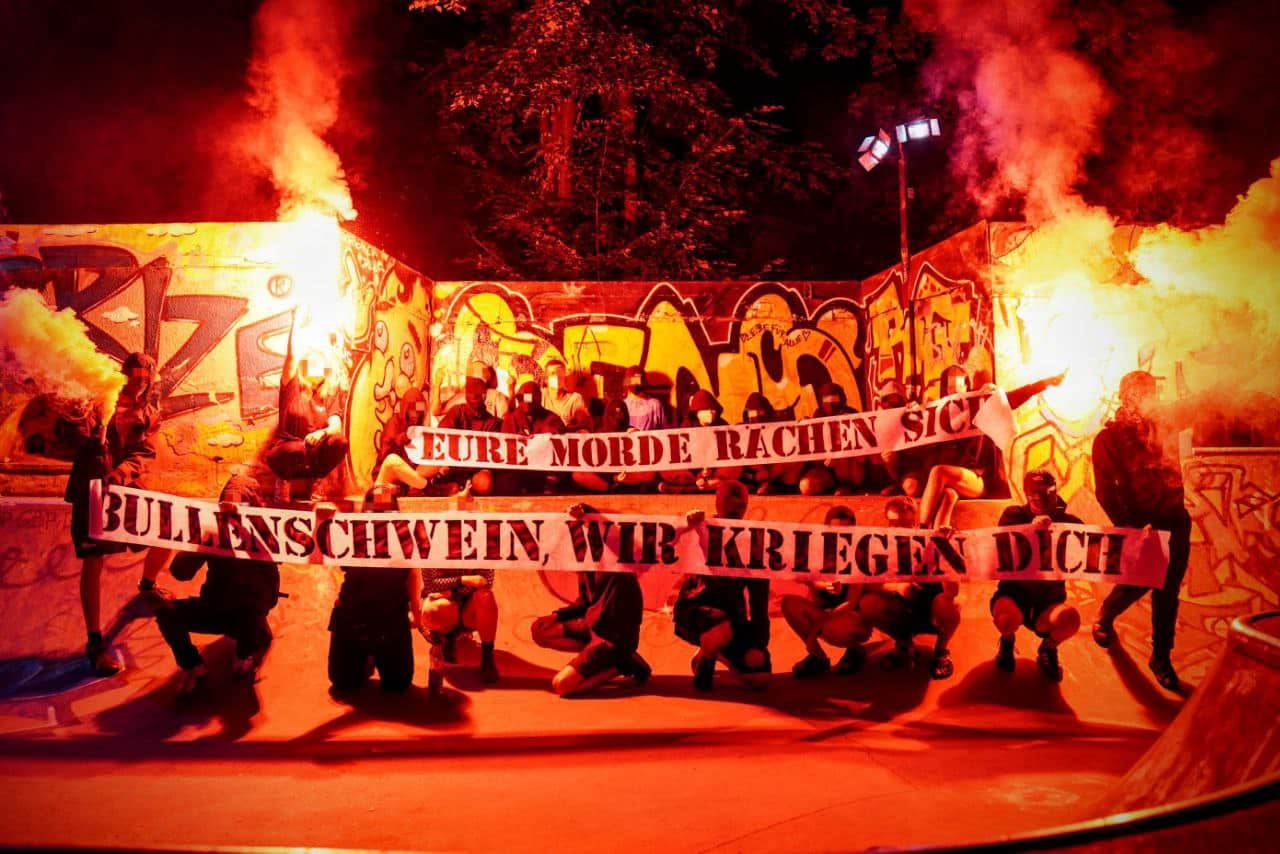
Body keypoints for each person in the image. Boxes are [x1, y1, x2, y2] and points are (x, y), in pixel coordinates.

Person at [64, 351, 171, 676]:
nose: (139, 384)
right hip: (92, 489)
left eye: (145, 379)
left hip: (124, 487)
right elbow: (69, 432)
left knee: (167, 527)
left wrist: (122, 472)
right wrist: (89, 439)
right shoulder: (98, 401)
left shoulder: (150, 413)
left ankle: (147, 585)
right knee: (93, 560)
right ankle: (95, 642)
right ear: (124, 375)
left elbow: (145, 453)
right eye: (134, 377)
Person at [1090, 370, 1192, 691]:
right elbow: (1105, 490)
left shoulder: (1166, 426)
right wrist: (1131, 525)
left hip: (1174, 520)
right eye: (1142, 393)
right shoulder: (1108, 439)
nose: (1151, 399)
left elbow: (1201, 408)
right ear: (1126, 397)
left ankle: (1161, 657)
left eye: (1152, 393)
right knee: (1137, 583)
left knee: (1168, 592)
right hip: (1141, 525)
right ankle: (1105, 616)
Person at [157, 472, 281, 697]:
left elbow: (272, 590)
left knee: (252, 624)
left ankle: (246, 652)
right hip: (215, 608)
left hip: (248, 617)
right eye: (227, 505)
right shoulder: (213, 533)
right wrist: (202, 541)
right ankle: (194, 667)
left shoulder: (264, 535)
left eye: (239, 505)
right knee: (166, 613)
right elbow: (180, 572)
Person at [529, 503, 652, 696]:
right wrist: (555, 616)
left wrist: (586, 512)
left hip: (613, 639)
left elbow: (608, 534)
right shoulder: (585, 565)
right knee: (540, 631)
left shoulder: (619, 564)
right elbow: (584, 602)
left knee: (562, 685)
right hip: (592, 627)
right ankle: (612, 660)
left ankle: (622, 665)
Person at [674, 480, 770, 691]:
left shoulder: (752, 541)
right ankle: (707, 656)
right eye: (728, 500)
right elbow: (663, 541)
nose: (734, 507)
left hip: (733, 618)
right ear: (717, 502)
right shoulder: (699, 528)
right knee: (719, 629)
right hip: (695, 611)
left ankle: (716, 650)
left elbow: (759, 598)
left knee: (759, 673)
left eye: (740, 503)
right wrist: (685, 525)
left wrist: (759, 641)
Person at [327, 484, 422, 694]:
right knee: (342, 683)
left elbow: (412, 574)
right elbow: (325, 549)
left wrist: (416, 613)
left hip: (390, 617)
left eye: (385, 507)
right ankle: (364, 658)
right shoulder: (352, 532)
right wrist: (321, 518)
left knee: (398, 684)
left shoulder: (404, 533)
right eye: (376, 506)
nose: (380, 512)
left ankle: (370, 657)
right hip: (354, 617)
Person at [853, 495, 960, 679]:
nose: (900, 529)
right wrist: (897, 587)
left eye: (906, 524)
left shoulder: (931, 542)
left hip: (930, 610)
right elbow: (869, 585)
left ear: (916, 524)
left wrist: (945, 550)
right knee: (868, 603)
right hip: (900, 609)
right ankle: (903, 645)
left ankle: (941, 651)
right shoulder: (879, 547)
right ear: (887, 524)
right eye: (894, 524)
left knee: (951, 605)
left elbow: (953, 591)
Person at [990, 469, 1082, 681]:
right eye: (1033, 493)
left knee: (1070, 620)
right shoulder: (1013, 515)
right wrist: (1030, 532)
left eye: (1045, 492)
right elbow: (1002, 549)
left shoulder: (1072, 522)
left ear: (1055, 491)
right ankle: (1007, 641)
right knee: (1005, 619)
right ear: (1026, 494)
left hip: (1049, 600)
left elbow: (1096, 549)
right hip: (1014, 593)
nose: (1039, 498)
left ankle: (1049, 648)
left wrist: (1137, 540)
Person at [780, 505, 871, 677]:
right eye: (834, 531)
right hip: (823, 611)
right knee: (789, 604)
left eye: (846, 531)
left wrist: (813, 632)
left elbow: (850, 603)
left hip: (849, 616)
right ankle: (818, 657)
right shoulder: (817, 551)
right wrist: (824, 585)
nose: (839, 536)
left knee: (837, 628)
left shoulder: (859, 555)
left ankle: (855, 650)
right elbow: (810, 583)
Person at [264, 319, 348, 503]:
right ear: (302, 367)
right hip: (288, 452)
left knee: (340, 442)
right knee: (295, 450)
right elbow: (292, 355)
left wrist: (321, 433)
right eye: (311, 362)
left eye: (321, 364)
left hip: (313, 454)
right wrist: (296, 318)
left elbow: (336, 427)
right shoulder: (292, 386)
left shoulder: (328, 393)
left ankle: (319, 482)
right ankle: (283, 483)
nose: (317, 366)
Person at [419, 562, 500, 693]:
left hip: (468, 605)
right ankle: (446, 634)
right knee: (432, 611)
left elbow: (485, 582)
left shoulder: (482, 549)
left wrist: (452, 592)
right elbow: (430, 585)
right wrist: (462, 580)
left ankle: (487, 655)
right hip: (444, 602)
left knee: (486, 597)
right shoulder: (433, 550)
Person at [659, 389, 742, 494]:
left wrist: (711, 469)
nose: (710, 413)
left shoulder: (723, 424)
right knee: (667, 468)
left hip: (716, 470)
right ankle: (708, 485)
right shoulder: (687, 425)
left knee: (735, 467)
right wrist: (697, 472)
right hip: (691, 471)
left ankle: (696, 486)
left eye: (713, 410)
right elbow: (679, 452)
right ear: (696, 412)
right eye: (705, 410)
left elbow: (731, 451)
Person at [795, 382, 865, 496]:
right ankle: (830, 487)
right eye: (827, 399)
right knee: (805, 486)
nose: (831, 404)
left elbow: (861, 443)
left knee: (845, 458)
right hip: (826, 468)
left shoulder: (851, 413)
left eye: (834, 399)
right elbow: (815, 442)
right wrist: (805, 425)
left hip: (849, 466)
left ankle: (847, 486)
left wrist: (837, 455)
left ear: (841, 398)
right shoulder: (819, 414)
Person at [499, 379, 567, 495]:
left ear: (538, 399)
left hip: (543, 469)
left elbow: (564, 435)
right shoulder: (511, 418)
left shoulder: (551, 417)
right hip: (519, 470)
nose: (526, 402)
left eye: (529, 398)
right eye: (522, 398)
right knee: (505, 482)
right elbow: (503, 448)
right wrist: (515, 441)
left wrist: (550, 432)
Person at [371, 387, 430, 492]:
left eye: (419, 411)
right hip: (387, 475)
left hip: (409, 477)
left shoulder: (418, 428)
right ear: (406, 408)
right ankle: (429, 488)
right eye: (412, 409)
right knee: (393, 460)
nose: (416, 414)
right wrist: (400, 440)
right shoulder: (394, 423)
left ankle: (419, 486)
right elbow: (385, 456)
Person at [541, 359, 591, 431]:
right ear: (546, 379)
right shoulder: (540, 395)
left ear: (565, 377)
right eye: (552, 374)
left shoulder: (575, 398)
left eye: (560, 373)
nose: (557, 377)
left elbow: (584, 425)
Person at [622, 366, 666, 431]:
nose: (635, 383)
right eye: (633, 380)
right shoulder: (621, 406)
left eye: (638, 380)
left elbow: (665, 432)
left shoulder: (655, 405)